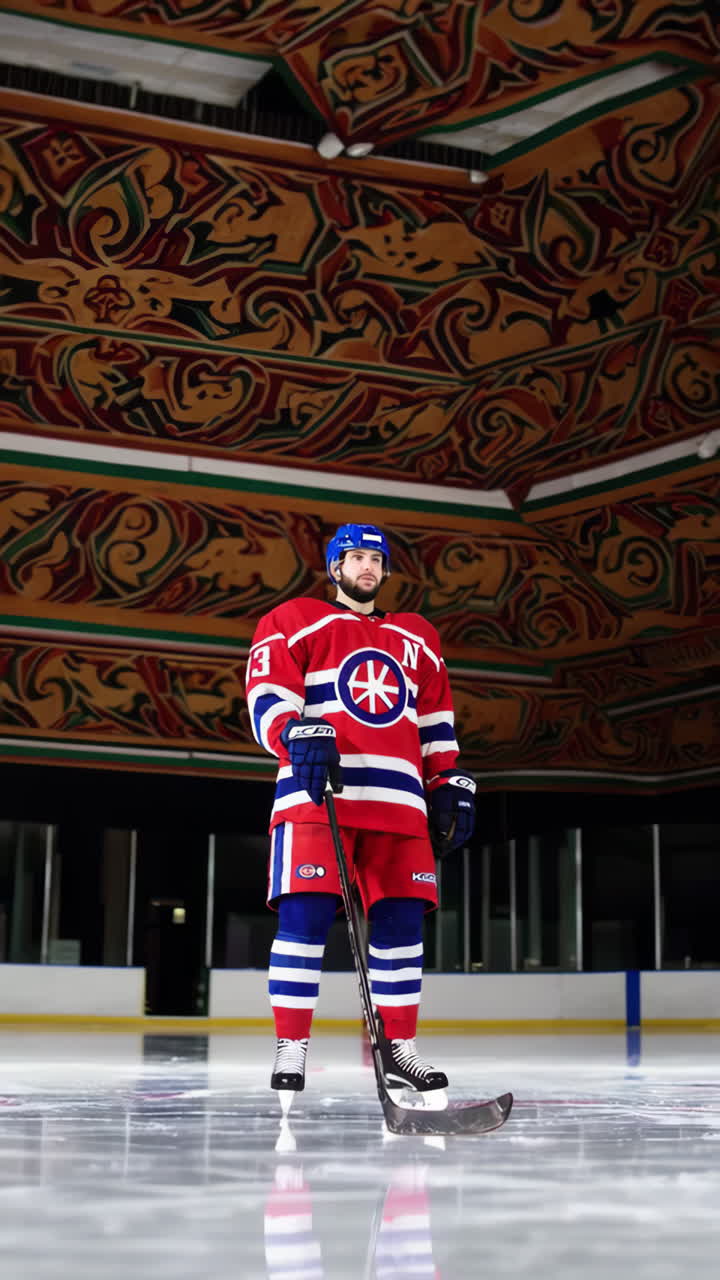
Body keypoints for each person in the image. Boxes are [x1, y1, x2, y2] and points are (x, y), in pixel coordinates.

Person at [245, 523, 476, 1099]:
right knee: (305, 919)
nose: (367, 566)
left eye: (376, 558)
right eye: (355, 557)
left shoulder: (418, 636)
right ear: (334, 566)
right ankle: (291, 1044)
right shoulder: (295, 619)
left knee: (401, 927)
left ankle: (400, 1048)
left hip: (400, 805)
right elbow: (267, 694)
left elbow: (435, 721)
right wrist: (296, 731)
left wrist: (447, 780)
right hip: (320, 797)